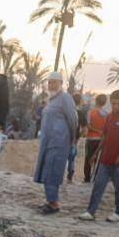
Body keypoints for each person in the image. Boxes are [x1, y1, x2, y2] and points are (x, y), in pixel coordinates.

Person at [79, 89, 119, 222]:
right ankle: (91, 212)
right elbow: (104, 137)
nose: (116, 106)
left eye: (118, 103)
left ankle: (118, 212)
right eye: (113, 103)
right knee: (98, 185)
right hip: (105, 159)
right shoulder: (109, 116)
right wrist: (95, 154)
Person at [33, 72, 78, 214]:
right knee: (47, 171)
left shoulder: (65, 98)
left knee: (52, 171)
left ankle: (54, 204)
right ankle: (50, 200)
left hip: (59, 141)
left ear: (61, 83)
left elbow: (73, 120)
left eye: (54, 82)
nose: (50, 85)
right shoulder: (51, 99)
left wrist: (73, 140)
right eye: (49, 82)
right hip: (48, 142)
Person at [83, 94, 107, 183]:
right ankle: (96, 177)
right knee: (98, 159)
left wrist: (96, 130)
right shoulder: (106, 114)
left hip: (91, 139)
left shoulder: (91, 112)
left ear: (96, 101)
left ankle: (87, 178)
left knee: (88, 158)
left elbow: (88, 126)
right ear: (104, 103)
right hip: (101, 139)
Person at [68, 93, 88, 183]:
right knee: (71, 160)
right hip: (73, 141)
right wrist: (77, 137)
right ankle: (69, 177)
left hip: (62, 139)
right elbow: (84, 130)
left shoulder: (66, 112)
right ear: (79, 101)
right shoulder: (80, 113)